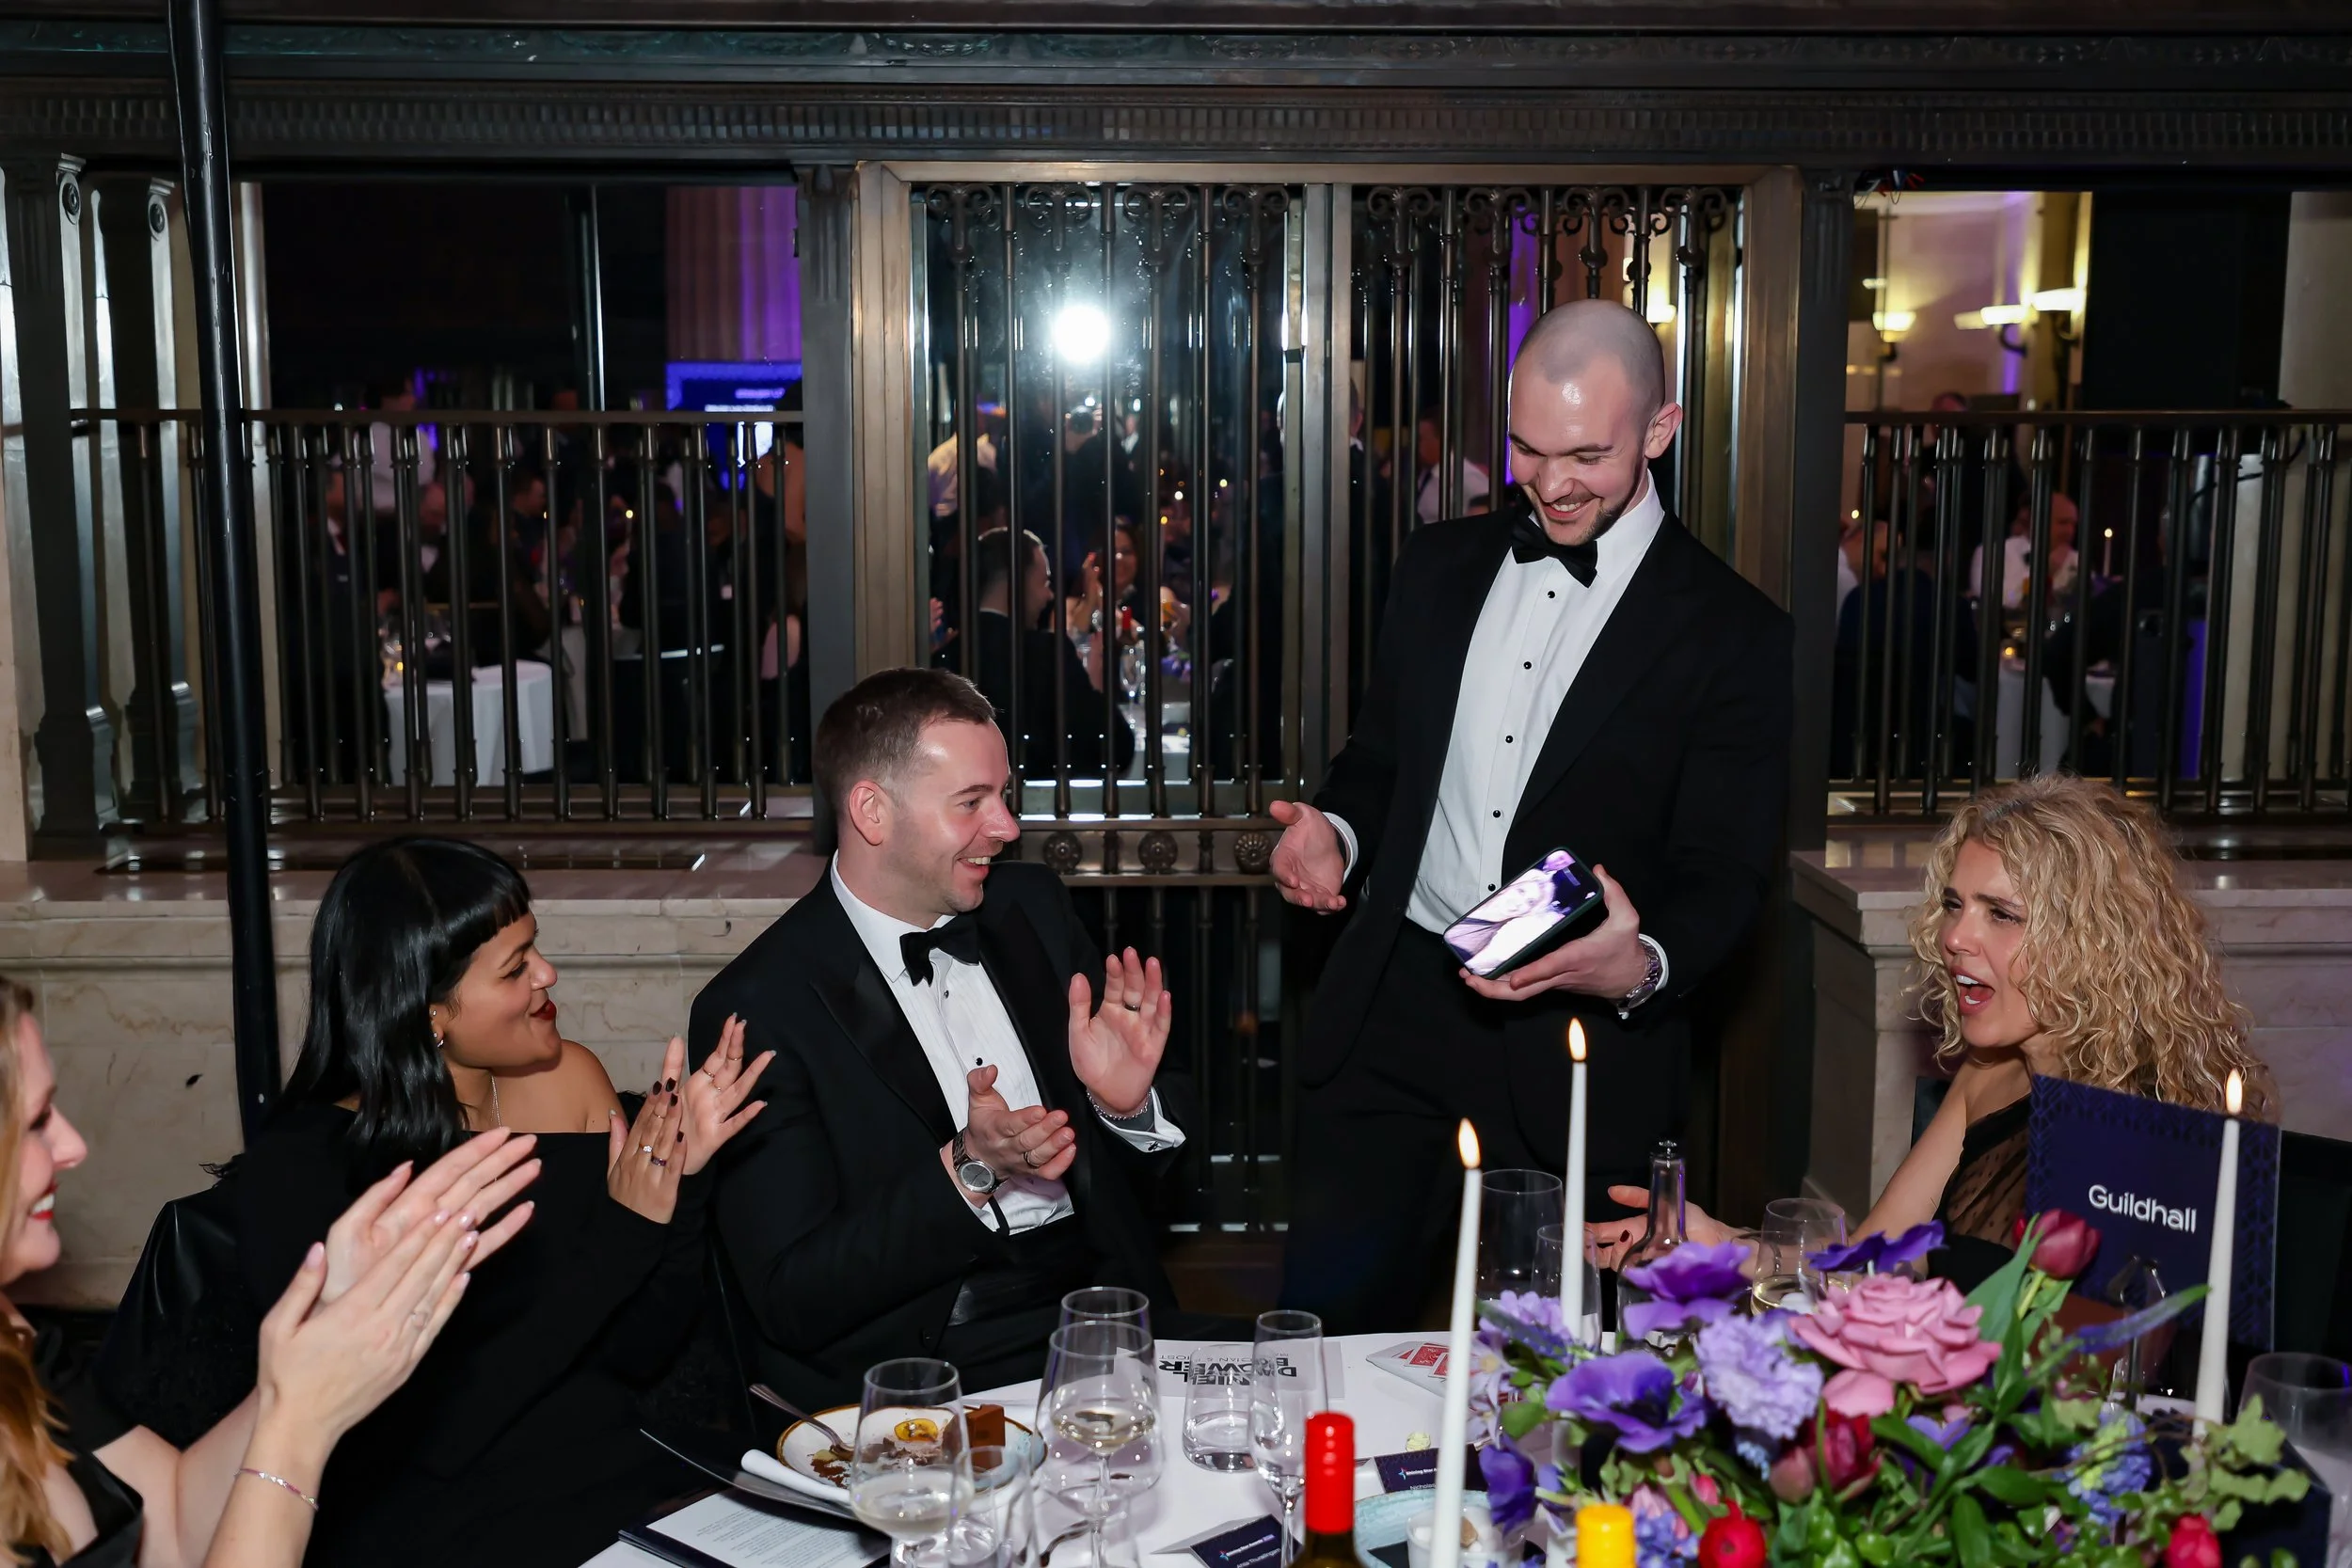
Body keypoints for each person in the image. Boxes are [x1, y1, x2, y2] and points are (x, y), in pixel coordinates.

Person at [1269, 298, 1793, 1332]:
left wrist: (1637, 963)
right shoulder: (1435, 566)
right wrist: (1336, 829)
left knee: (1567, 1374)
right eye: (1526, 448)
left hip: (1578, 1038)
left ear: (1660, 429)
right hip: (1394, 1005)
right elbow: (1378, 759)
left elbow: (1724, 871)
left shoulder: (1735, 632)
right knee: (1323, 1333)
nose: (1551, 482)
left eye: (1587, 454)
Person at [216, 839, 770, 1567]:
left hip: (622, 1496)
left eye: (534, 948)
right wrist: (624, 1228)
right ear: (428, 1011)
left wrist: (683, 1178)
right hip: (446, 1530)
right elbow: (442, 1431)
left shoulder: (570, 1081)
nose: (548, 975)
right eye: (515, 968)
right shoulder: (303, 1174)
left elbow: (640, 1352)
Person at [689, 669, 1185, 1407]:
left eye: (1005, 795)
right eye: (972, 802)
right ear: (872, 811)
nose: (1009, 827)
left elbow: (1160, 1191)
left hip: (1105, 1317)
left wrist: (1124, 1109)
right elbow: (792, 1295)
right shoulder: (759, 1007)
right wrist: (967, 1166)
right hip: (927, 1364)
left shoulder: (1035, 911)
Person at [1591, 774, 2274, 1285]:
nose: (1953, 936)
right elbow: (1868, 1264)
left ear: (2094, 940)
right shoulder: (1987, 1079)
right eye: (1954, 904)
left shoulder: (2158, 1119)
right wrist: (1729, 1246)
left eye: (2000, 913)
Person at [0, 976, 532, 1567]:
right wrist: (299, 1430)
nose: (72, 1146)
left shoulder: (13, 1341)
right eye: (37, 1120)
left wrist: (320, 1337)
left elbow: (171, 1527)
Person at [968, 527, 1135, 776]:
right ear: (1016, 582)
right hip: (1039, 809)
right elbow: (1115, 749)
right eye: (1044, 582)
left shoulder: (945, 654)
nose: (1049, 595)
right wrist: (1095, 690)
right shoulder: (1046, 655)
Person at [1413, 411, 1492, 523]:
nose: (1415, 445)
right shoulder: (1426, 473)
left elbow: (1491, 512)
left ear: (1440, 440)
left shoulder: (1467, 476)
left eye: (1421, 439)